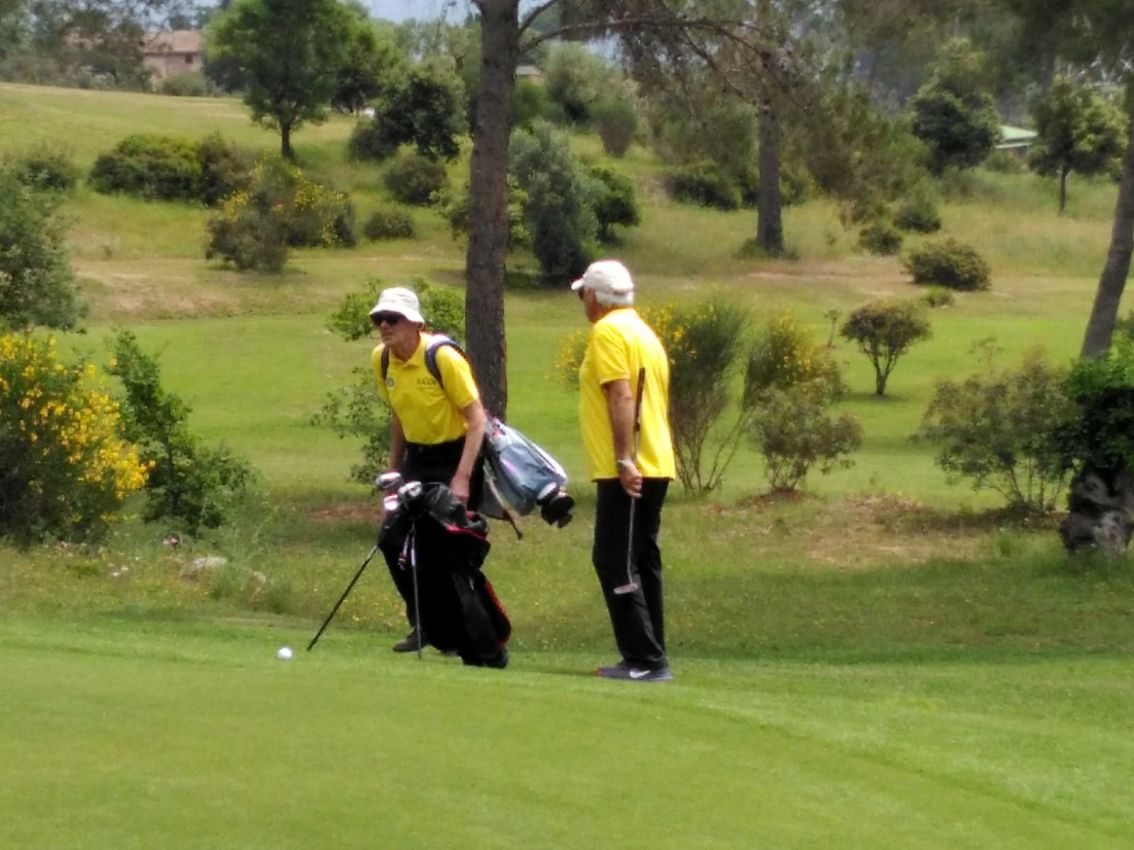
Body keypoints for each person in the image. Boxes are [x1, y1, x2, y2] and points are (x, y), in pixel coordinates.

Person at [571, 260, 676, 682]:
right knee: (641, 559)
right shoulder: (643, 331)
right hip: (655, 459)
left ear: (593, 296)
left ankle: (645, 660)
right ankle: (652, 652)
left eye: (583, 294)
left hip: (629, 467)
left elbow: (620, 393)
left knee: (614, 560)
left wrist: (623, 458)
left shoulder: (608, 331)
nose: (583, 302)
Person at [369, 286, 487, 652]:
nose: (384, 326)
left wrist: (462, 478)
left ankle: (464, 634)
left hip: (454, 458)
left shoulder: (443, 357)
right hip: (416, 460)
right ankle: (425, 624)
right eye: (379, 319)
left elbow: (477, 419)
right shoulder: (382, 360)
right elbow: (398, 416)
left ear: (415, 323)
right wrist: (394, 472)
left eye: (393, 319)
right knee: (392, 540)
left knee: (446, 552)